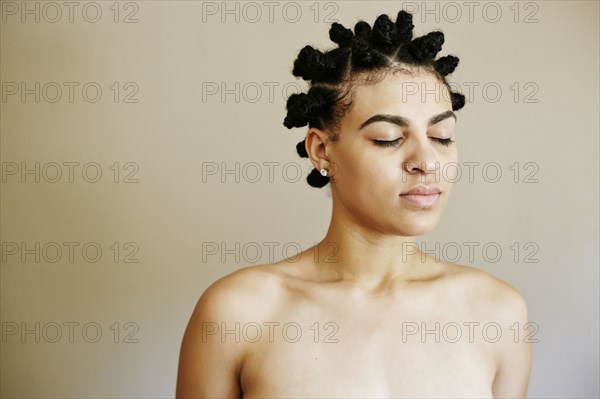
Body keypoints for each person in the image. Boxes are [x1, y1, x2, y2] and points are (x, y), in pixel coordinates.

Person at [176, 10, 532, 398]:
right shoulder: (238, 313)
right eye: (388, 138)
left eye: (442, 135)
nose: (427, 162)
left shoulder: (497, 314)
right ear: (322, 150)